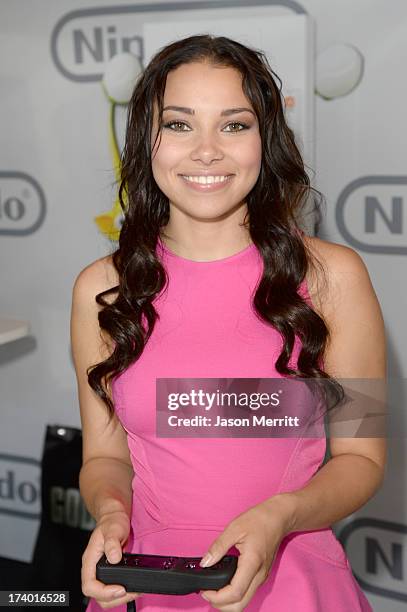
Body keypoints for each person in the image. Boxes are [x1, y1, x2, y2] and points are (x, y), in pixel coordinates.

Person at [70, 35, 386, 611]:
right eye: (181, 124)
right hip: (145, 587)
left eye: (235, 125)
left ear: (267, 140)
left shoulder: (336, 277)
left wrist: (281, 515)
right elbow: (105, 458)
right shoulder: (102, 289)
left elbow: (363, 459)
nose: (207, 150)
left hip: (291, 583)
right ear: (146, 140)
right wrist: (113, 513)